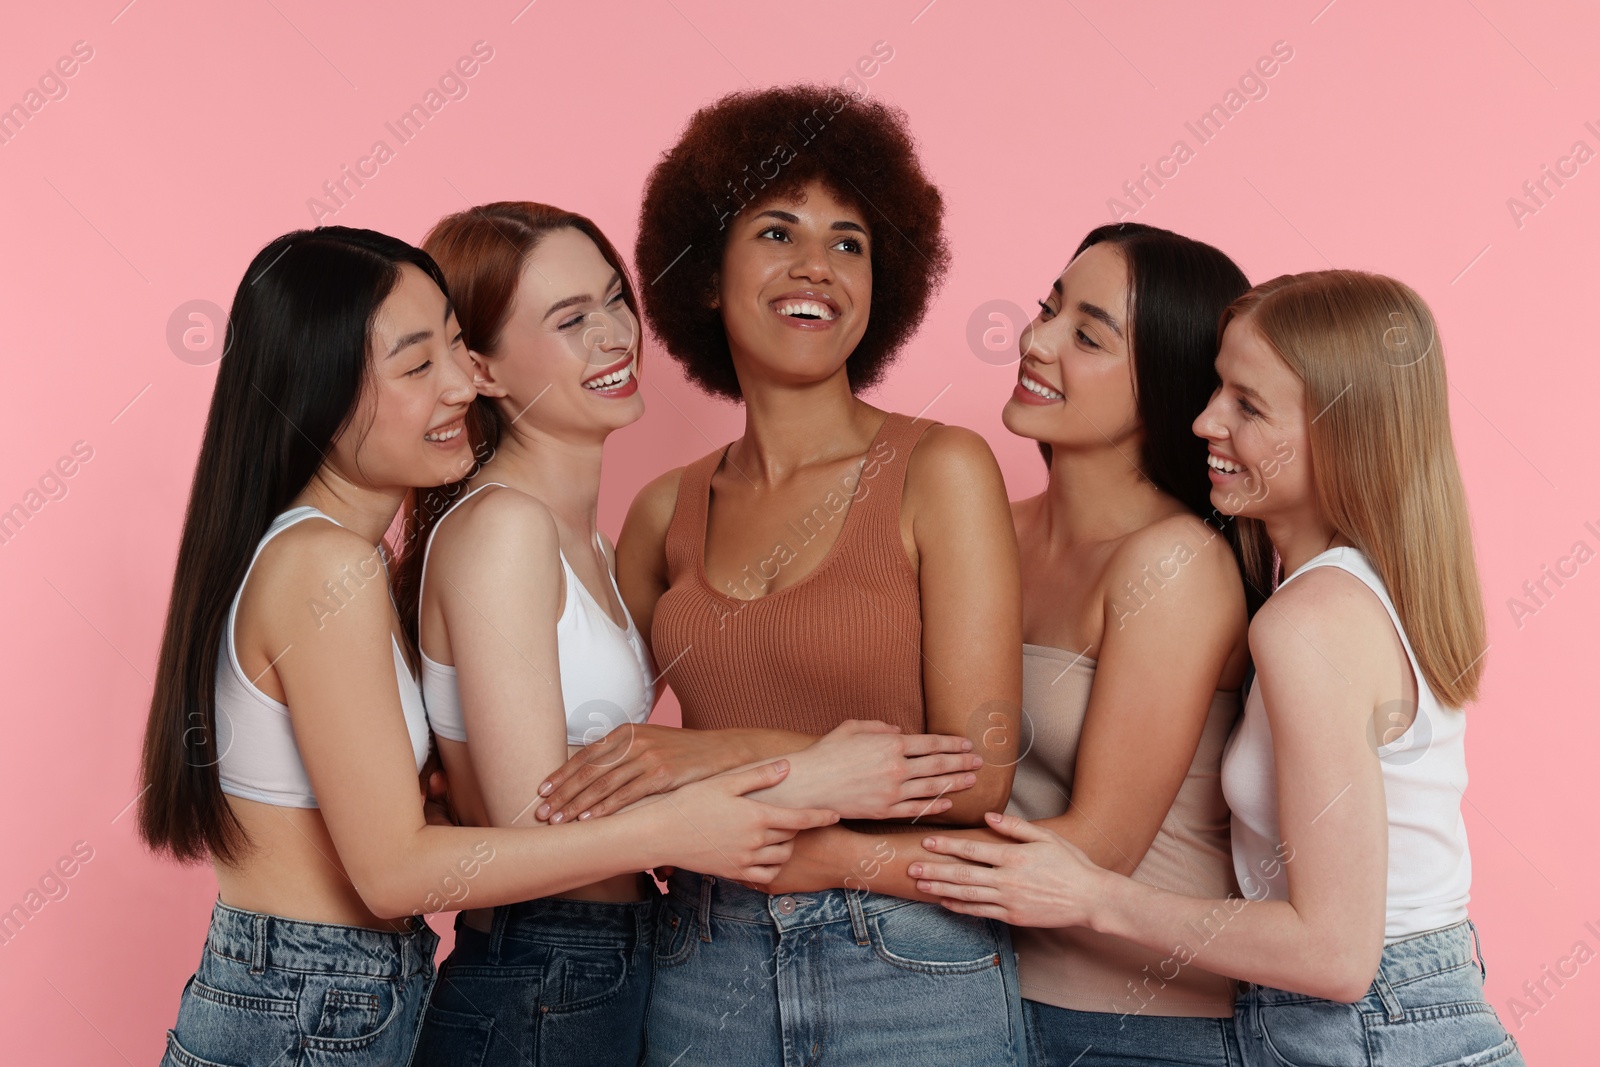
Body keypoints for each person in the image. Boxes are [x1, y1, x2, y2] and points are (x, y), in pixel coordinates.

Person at [139, 225, 838, 1067]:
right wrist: (677, 828)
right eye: (416, 364)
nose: (465, 382)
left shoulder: (341, 557)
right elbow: (394, 875)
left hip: (336, 990)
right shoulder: (321, 563)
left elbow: (385, 834)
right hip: (304, 999)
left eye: (457, 345)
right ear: (323, 392)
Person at [913, 270, 1527, 1067]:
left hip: (1372, 1031)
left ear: (1341, 432)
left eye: (1248, 405)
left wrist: (1095, 896)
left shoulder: (1311, 621)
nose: (1204, 420)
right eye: (1216, 392)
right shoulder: (1347, 591)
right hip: (1385, 1017)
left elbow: (1337, 953)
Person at [534, 84, 1029, 1065]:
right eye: (776, 231)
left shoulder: (941, 469)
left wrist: (714, 752)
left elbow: (977, 773)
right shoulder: (665, 509)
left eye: (849, 241)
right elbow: (581, 755)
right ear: (707, 275)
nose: (818, 265)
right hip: (700, 958)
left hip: (911, 965)